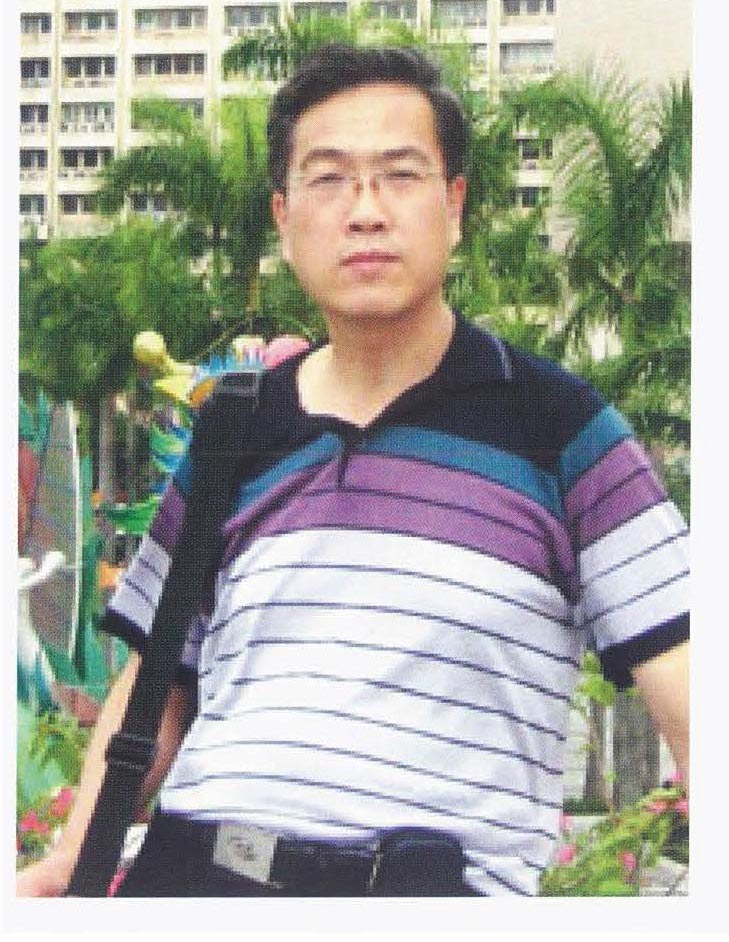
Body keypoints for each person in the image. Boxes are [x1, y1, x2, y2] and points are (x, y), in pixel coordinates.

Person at [17, 43, 689, 898]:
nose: (365, 212)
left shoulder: (561, 429)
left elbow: (688, 682)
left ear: (453, 205)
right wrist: (74, 860)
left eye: (399, 175)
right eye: (329, 179)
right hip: (191, 879)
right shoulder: (234, 427)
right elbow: (161, 683)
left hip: (417, 896)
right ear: (284, 216)